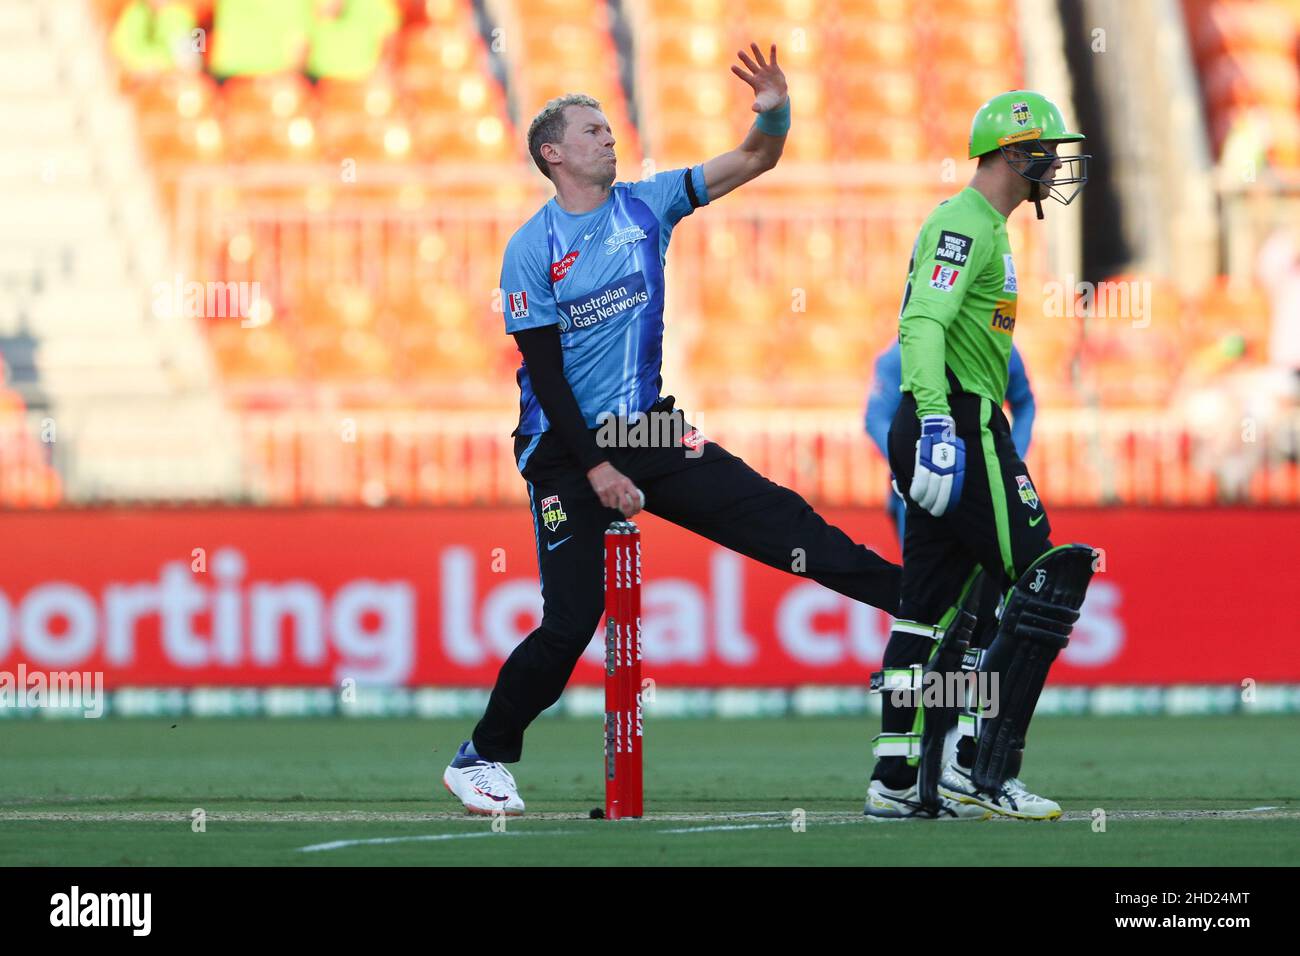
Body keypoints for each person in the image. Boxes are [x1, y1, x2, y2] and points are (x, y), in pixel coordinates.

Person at [443, 44, 907, 816]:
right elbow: (546, 379)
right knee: (571, 622)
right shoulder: (532, 248)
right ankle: (480, 756)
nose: (608, 138)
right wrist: (595, 470)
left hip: (648, 432)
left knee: (782, 522)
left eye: (608, 128)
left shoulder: (649, 203)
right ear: (552, 153)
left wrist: (775, 110)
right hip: (563, 450)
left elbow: (756, 159)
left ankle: (924, 604)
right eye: (591, 131)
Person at [865, 90, 1097, 821]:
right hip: (959, 421)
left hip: (951, 419)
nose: (1057, 165)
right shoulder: (964, 223)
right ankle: (979, 766)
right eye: (1047, 152)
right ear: (1012, 152)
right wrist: (938, 423)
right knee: (1042, 584)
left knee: (929, 613)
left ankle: (896, 778)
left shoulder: (985, 227)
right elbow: (921, 323)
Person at [865, 340, 1035, 545]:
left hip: (986, 483)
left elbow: (1024, 402)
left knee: (989, 570)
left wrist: (1011, 459)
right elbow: (875, 417)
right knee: (927, 572)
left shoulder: (997, 345)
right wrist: (916, 462)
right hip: (924, 488)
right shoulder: (901, 354)